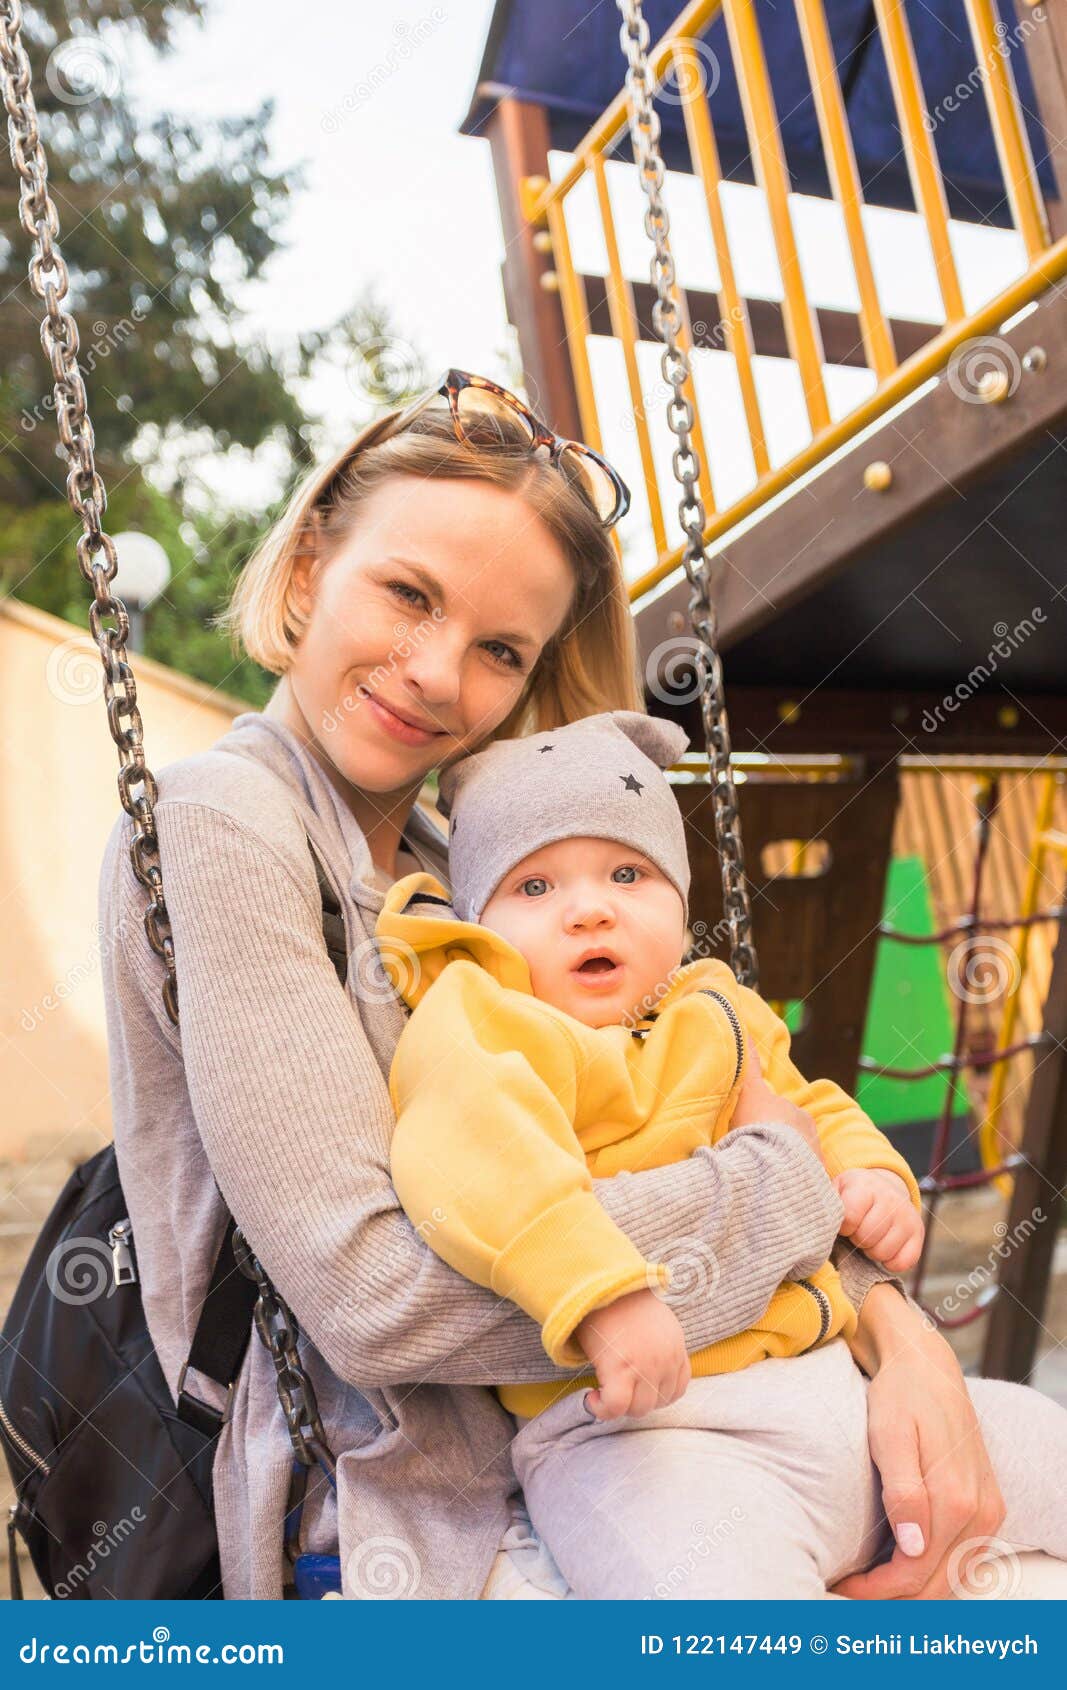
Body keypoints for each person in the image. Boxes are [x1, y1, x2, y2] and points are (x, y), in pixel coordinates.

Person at [98, 369, 1010, 1601]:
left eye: (498, 650)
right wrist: (785, 1195)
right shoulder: (230, 821)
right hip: (403, 1494)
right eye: (407, 594)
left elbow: (696, 1101)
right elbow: (374, 1298)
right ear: (310, 567)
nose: (433, 672)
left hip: (634, 1423)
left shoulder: (471, 870)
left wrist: (899, 1338)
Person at [376, 709, 1067, 1598]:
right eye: (535, 888)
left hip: (837, 1397)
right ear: (478, 922)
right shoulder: (487, 1022)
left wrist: (868, 1176)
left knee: (1037, 1436)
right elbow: (474, 1162)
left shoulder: (714, 1008)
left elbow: (809, 1104)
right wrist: (602, 1294)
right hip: (648, 1439)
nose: (590, 907)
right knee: (703, 1591)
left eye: (627, 873)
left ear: (678, 900)